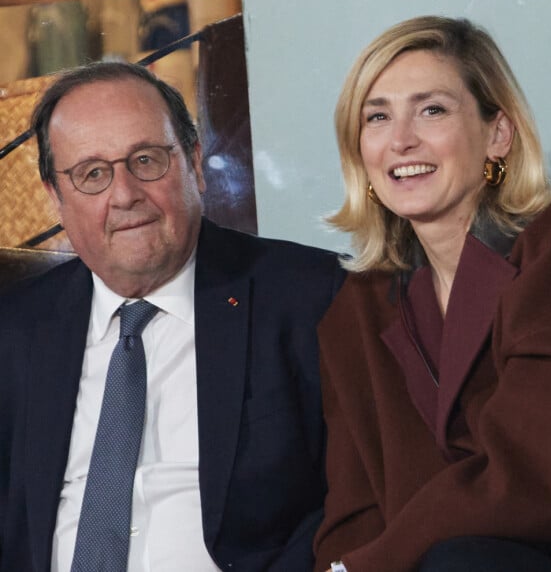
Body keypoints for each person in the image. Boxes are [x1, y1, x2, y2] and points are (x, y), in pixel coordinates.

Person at [0, 61, 345, 572]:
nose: (124, 194)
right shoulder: (16, 329)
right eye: (92, 174)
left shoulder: (308, 297)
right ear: (55, 197)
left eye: (146, 159)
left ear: (195, 164)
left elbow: (361, 502)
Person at [313, 15, 551, 572]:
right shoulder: (357, 304)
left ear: (497, 134)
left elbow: (534, 476)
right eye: (377, 116)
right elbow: (352, 508)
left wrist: (369, 565)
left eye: (431, 109)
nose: (401, 139)